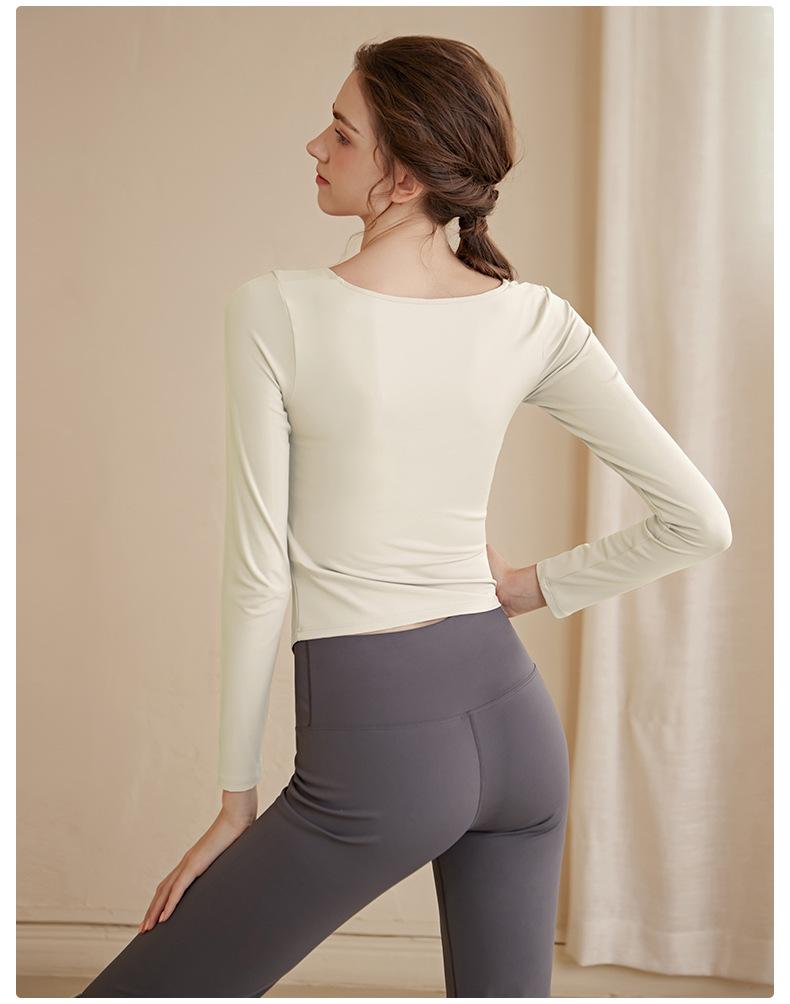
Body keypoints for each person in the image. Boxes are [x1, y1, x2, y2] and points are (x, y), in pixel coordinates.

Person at [76, 35, 732, 998]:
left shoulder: (275, 310)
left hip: (379, 751)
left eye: (342, 134)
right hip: (519, 734)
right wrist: (530, 590)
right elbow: (699, 522)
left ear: (407, 176)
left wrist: (235, 802)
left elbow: (258, 577)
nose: (316, 147)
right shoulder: (534, 318)